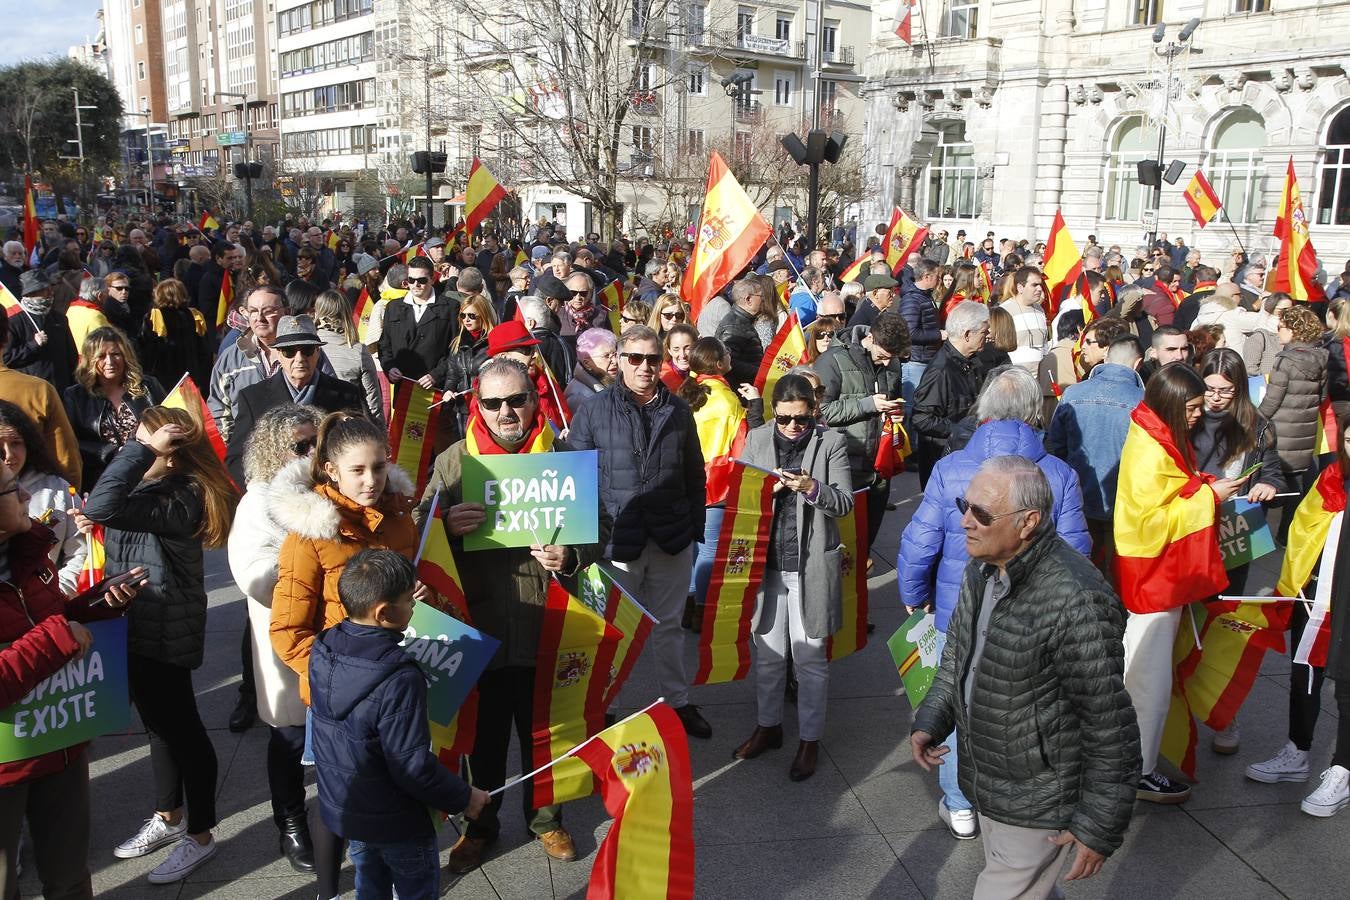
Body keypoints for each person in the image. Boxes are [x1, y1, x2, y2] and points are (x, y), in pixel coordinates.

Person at [911, 457, 1141, 897]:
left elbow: (1108, 723)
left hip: (1039, 796)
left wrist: (1098, 824)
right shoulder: (983, 568)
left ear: (1028, 521)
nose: (964, 522)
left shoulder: (1077, 600)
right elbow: (958, 657)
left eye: (981, 513)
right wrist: (931, 721)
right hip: (992, 780)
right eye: (965, 505)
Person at [415, 359, 608, 872]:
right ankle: (481, 824)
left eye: (517, 400)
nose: (506, 412)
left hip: (548, 621)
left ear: (534, 400)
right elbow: (418, 540)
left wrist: (572, 556)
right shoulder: (455, 462)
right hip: (481, 625)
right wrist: (447, 527)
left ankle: (547, 819)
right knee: (485, 736)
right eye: (493, 403)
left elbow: (599, 529)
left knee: (548, 728)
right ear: (477, 405)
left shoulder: (564, 456)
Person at [268, 412, 422, 900]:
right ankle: (329, 890)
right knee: (339, 798)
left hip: (394, 687)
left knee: (397, 786)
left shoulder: (400, 520)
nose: (371, 480)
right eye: (357, 470)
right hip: (338, 696)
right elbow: (288, 631)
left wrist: (417, 599)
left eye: (379, 467)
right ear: (330, 470)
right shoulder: (309, 534)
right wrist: (338, 678)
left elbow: (408, 603)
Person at [83, 405, 237, 884]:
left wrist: (139, 454)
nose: (137, 449)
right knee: (160, 727)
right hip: (137, 621)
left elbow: (101, 504)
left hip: (165, 626)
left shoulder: (183, 495)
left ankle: (201, 835)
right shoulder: (151, 488)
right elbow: (104, 511)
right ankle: (168, 816)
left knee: (184, 730)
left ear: (171, 455)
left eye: (149, 444)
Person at [309, 550, 490, 897]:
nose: (414, 607)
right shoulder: (400, 676)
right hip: (399, 822)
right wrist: (464, 796)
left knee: (369, 885)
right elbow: (412, 766)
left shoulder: (325, 646)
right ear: (383, 612)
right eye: (409, 600)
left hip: (354, 811)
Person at [0, 460, 142, 899]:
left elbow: (53, 621)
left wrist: (95, 607)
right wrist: (58, 635)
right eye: (11, 489)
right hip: (6, 763)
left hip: (58, 743)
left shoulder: (29, 553)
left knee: (70, 880)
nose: (27, 496)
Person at [568, 326, 711, 739]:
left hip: (670, 538)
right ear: (619, 361)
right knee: (614, 631)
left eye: (652, 359)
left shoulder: (679, 410)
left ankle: (678, 703)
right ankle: (607, 709)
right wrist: (586, 539)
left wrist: (694, 530)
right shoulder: (594, 411)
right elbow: (577, 475)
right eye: (635, 358)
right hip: (617, 542)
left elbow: (693, 473)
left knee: (669, 627)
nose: (645, 367)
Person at [1115, 363, 1245, 804]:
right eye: (1190, 407)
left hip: (1153, 575)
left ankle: (1137, 763)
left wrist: (1204, 486)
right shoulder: (1153, 447)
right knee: (1147, 682)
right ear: (1171, 404)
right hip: (1153, 578)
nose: (1197, 413)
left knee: (1145, 675)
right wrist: (1211, 495)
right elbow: (1154, 522)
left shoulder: (1153, 431)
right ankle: (1139, 770)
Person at [732, 374, 852, 781]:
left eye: (801, 420)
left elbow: (844, 504)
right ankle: (769, 727)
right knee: (767, 656)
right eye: (784, 419)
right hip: (766, 565)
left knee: (810, 658)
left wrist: (812, 487)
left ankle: (809, 740)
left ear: (813, 412)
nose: (792, 428)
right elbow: (741, 498)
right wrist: (768, 492)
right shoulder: (759, 439)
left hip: (810, 564)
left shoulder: (830, 442)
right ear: (774, 412)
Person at [227, 403, 324, 873]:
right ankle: (289, 821)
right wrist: (312, 570)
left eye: (316, 442)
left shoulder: (336, 485)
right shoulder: (257, 501)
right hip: (286, 634)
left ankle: (338, 812)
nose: (310, 452)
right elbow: (252, 573)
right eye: (299, 445)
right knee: (289, 734)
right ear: (273, 451)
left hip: (341, 631)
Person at [1242, 421, 1350, 813]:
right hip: (1315, 590)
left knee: (1347, 686)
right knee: (1304, 669)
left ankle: (1342, 769)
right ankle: (1297, 750)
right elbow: (1304, 529)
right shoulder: (1330, 477)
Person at [224, 316, 367, 488]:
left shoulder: (346, 394)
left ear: (318, 352)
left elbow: (362, 445)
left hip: (333, 495)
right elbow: (236, 458)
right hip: (277, 497)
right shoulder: (253, 397)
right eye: (289, 351)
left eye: (307, 350)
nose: (299, 358)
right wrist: (261, 492)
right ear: (278, 354)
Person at [679, 337, 763, 626]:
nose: (731, 355)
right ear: (718, 363)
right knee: (710, 548)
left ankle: (688, 605)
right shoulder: (727, 399)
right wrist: (755, 406)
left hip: (686, 481)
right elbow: (743, 443)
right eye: (726, 352)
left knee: (693, 548)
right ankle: (702, 608)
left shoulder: (686, 392)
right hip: (716, 484)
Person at [1047, 333, 1144, 570]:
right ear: (1138, 364)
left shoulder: (1073, 394)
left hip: (1077, 499)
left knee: (1079, 569)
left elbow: (1053, 448)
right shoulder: (1143, 400)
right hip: (1125, 505)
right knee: (1117, 573)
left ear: (1107, 359)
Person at [814, 313, 909, 545]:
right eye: (884, 356)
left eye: (893, 357)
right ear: (870, 338)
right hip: (845, 466)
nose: (888, 363)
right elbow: (821, 411)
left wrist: (895, 414)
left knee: (867, 540)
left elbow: (894, 399)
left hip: (879, 466)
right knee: (842, 541)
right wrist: (867, 405)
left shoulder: (892, 362)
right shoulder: (832, 361)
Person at [62, 327, 166, 492]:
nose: (110, 362)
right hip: (102, 480)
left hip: (151, 477)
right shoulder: (75, 396)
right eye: (101, 356)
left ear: (126, 356)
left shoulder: (148, 387)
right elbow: (70, 442)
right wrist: (110, 452)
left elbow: (168, 422)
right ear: (90, 360)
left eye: (116, 354)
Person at [1258, 305, 1330, 543]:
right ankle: (1286, 536)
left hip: (1279, 434)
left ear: (1293, 330)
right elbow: (1321, 397)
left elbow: (1271, 402)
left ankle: (1259, 536)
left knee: (1266, 483)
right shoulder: (1322, 357)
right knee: (1295, 487)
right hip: (1305, 432)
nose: (1278, 332)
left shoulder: (1284, 360)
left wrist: (1253, 421)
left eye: (1281, 328)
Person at [0, 401, 87, 594]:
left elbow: (80, 551)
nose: (8, 455)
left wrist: (56, 593)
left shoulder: (58, 488)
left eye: (16, 443)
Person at [912, 301, 989, 487]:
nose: (987, 337)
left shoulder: (970, 363)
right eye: (984, 333)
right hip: (944, 462)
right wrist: (959, 430)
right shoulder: (941, 370)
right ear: (967, 334)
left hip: (964, 455)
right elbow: (921, 419)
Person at [379, 256, 459, 388]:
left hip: (435, 389)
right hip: (403, 386)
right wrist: (389, 367)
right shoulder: (393, 307)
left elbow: (457, 349)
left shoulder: (450, 307)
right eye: (411, 280)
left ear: (432, 280)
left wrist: (437, 374)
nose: (416, 285)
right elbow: (384, 345)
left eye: (421, 280)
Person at [312, 290, 384, 427]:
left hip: (312, 425)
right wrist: (380, 434)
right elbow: (373, 402)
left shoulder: (306, 348)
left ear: (318, 312)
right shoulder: (358, 350)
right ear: (347, 313)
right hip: (347, 427)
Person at [6, 270, 77, 394]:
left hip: (62, 390)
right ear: (30, 294)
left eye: (50, 288)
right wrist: (32, 345)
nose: (50, 293)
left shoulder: (59, 319)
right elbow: (7, 359)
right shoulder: (14, 322)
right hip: (31, 392)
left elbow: (71, 355)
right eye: (44, 290)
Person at [140, 278, 212, 391]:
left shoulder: (154, 316)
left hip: (164, 379)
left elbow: (147, 351)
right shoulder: (195, 316)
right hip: (192, 380)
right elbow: (205, 352)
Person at [897, 258, 943, 409]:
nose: (939, 280)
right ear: (927, 276)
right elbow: (909, 332)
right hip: (915, 361)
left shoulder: (925, 296)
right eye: (937, 276)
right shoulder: (912, 299)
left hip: (925, 359)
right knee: (911, 407)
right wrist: (939, 335)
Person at [715, 278, 767, 387]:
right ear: (748, 299)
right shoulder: (734, 326)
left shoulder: (742, 321)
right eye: (761, 296)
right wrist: (760, 372)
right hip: (741, 390)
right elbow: (729, 362)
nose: (764, 300)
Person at [998, 268, 1049, 373]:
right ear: (1020, 288)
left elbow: (1044, 345)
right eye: (1034, 285)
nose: (1040, 289)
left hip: (1039, 380)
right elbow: (1000, 349)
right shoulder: (1005, 310)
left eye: (1040, 285)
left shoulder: (1040, 310)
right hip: (1015, 378)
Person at [565, 327, 619, 411]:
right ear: (587, 364)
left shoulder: (611, 382)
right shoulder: (580, 398)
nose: (615, 361)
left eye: (615, 355)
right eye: (606, 356)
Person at [1242, 292, 1294, 378]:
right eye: (1283, 310)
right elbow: (1250, 370)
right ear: (1271, 309)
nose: (1288, 313)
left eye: (1291, 309)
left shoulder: (1295, 334)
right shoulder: (1259, 337)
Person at [661, 322, 697, 391]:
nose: (682, 355)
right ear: (669, 351)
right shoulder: (662, 378)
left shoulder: (705, 372)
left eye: (687, 348)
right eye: (676, 349)